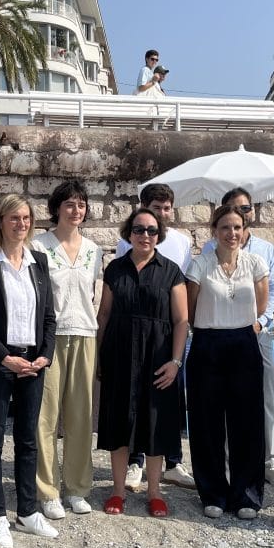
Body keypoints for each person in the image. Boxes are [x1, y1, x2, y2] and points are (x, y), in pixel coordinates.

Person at [0, 194, 58, 548]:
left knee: (28, 439)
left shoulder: (39, 261)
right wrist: (5, 358)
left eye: (26, 218)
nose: (21, 224)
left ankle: (28, 511)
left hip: (33, 364)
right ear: (0, 222)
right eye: (14, 218)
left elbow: (49, 315)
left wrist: (45, 355)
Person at [97, 208, 189, 518]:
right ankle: (118, 490)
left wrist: (176, 361)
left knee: (155, 421)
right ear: (129, 233)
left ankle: (154, 491)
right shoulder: (115, 269)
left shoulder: (171, 271)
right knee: (119, 419)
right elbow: (105, 314)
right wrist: (98, 356)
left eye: (151, 230)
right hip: (119, 352)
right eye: (139, 229)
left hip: (158, 356)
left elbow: (181, 320)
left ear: (159, 235)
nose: (145, 235)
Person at [186, 205, 269, 519]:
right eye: (225, 228)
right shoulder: (200, 265)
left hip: (244, 343)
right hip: (208, 342)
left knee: (247, 422)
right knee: (207, 422)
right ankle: (213, 492)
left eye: (237, 227)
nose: (232, 234)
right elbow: (191, 309)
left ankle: (246, 494)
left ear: (244, 230)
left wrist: (242, 325)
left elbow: (259, 305)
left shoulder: (256, 263)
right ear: (214, 230)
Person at [115, 183, 196, 491]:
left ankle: (173, 461)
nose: (162, 213)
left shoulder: (182, 241)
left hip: (170, 329)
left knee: (171, 398)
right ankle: (136, 460)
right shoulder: (129, 241)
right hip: (138, 330)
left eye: (166, 207)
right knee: (137, 395)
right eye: (156, 207)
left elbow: (184, 284)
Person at [201, 187, 274, 484]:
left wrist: (260, 321)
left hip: (258, 332)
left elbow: (273, 290)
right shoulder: (210, 251)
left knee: (265, 395)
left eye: (245, 210)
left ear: (250, 214)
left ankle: (269, 459)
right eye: (234, 210)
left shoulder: (265, 250)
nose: (240, 217)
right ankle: (227, 461)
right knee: (227, 400)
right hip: (223, 334)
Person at [32, 180, 102, 518]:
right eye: (70, 204)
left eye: (81, 204)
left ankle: (77, 487)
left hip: (85, 334)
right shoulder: (39, 246)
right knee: (46, 416)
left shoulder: (93, 249)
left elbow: (91, 296)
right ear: (57, 208)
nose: (76, 210)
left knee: (80, 415)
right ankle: (47, 491)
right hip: (51, 336)